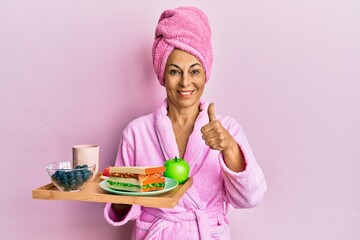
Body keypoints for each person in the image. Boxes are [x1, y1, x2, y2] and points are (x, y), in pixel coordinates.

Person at [104, 6, 267, 240]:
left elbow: (251, 198)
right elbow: (124, 205)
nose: (185, 82)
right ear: (162, 74)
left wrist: (230, 147)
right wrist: (117, 195)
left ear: (205, 74)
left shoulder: (227, 130)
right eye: (174, 71)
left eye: (194, 71)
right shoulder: (137, 132)